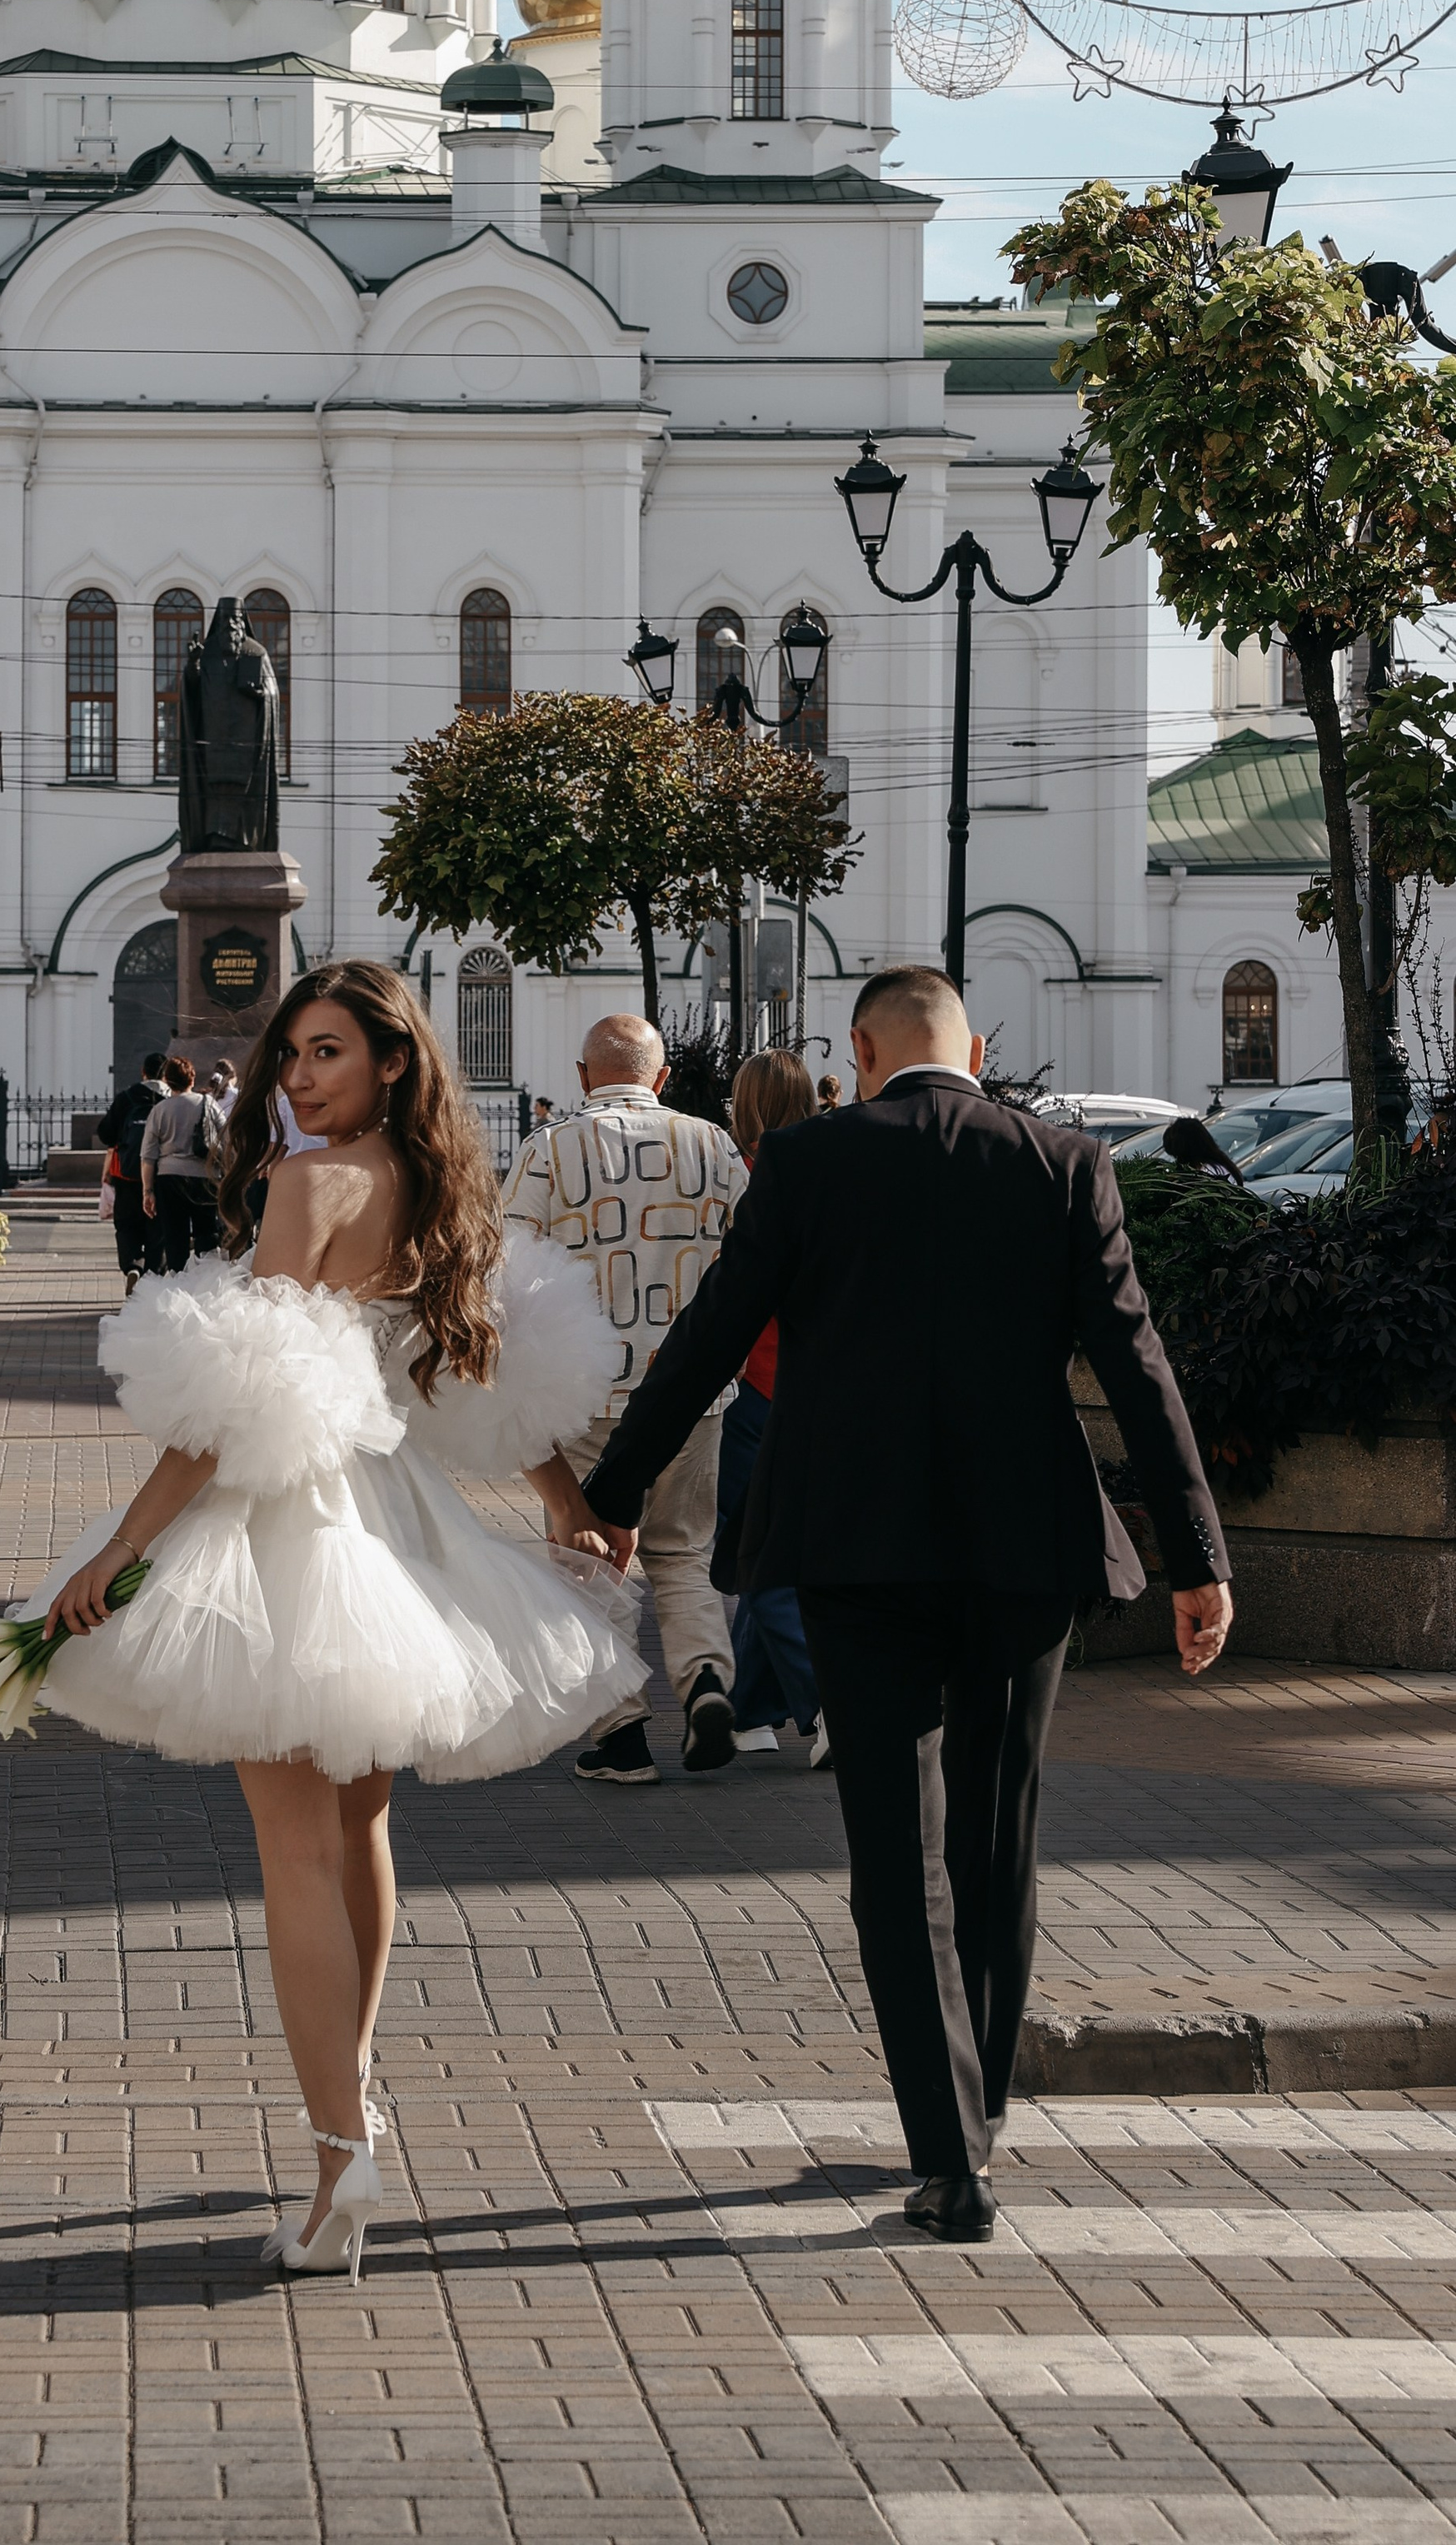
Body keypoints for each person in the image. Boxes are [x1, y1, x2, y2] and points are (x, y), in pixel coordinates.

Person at [0, 962, 646, 2279]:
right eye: (292, 1054)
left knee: (295, 1855)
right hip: (394, 1521)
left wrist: (120, 1549)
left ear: (392, 1060)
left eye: (327, 1051)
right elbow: (472, 1372)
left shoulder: (308, 1184)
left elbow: (240, 1399)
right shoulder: (434, 1186)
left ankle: (340, 2162)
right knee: (359, 1826)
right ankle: (354, 2102)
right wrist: (563, 1501)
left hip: (291, 1524)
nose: (299, 1076)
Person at [581, 963, 1234, 2248]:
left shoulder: (807, 1163)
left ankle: (947, 2157)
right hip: (1025, 1547)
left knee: (895, 1851)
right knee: (996, 1840)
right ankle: (976, 2120)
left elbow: (710, 1336)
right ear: (975, 1052)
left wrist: (613, 1491)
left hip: (857, 1544)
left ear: (863, 1055)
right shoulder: (1064, 1165)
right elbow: (1134, 1359)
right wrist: (1199, 1556)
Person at [506, 1011, 745, 1786]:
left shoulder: (548, 1149)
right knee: (683, 1551)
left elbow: (506, 1266)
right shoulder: (713, 1145)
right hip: (691, 1390)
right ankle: (705, 1679)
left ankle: (622, 1734)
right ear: (662, 1076)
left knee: (589, 1557)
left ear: (583, 1076)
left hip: (586, 1391)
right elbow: (755, 1253)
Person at [719, 1049, 832, 1774]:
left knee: (759, 1553)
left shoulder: (741, 1176)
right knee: (773, 1543)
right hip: (819, 1386)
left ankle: (828, 1701)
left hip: (753, 1387)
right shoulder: (832, 1173)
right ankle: (751, 1707)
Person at [95, 1050, 168, 1289]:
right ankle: (152, 1276)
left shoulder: (127, 1098)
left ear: (143, 1072)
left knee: (127, 1225)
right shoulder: (169, 1100)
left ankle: (133, 1265)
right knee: (158, 1228)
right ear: (166, 1075)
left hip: (127, 1174)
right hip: (160, 1175)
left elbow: (106, 1134)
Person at [141, 1055, 219, 1273]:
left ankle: (178, 1281)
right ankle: (207, 1279)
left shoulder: (159, 1110)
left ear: (167, 1081)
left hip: (169, 1178)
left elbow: (148, 1156)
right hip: (204, 1177)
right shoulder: (208, 1104)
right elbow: (228, 1137)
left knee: (175, 1237)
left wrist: (148, 1191)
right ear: (192, 1079)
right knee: (207, 1235)